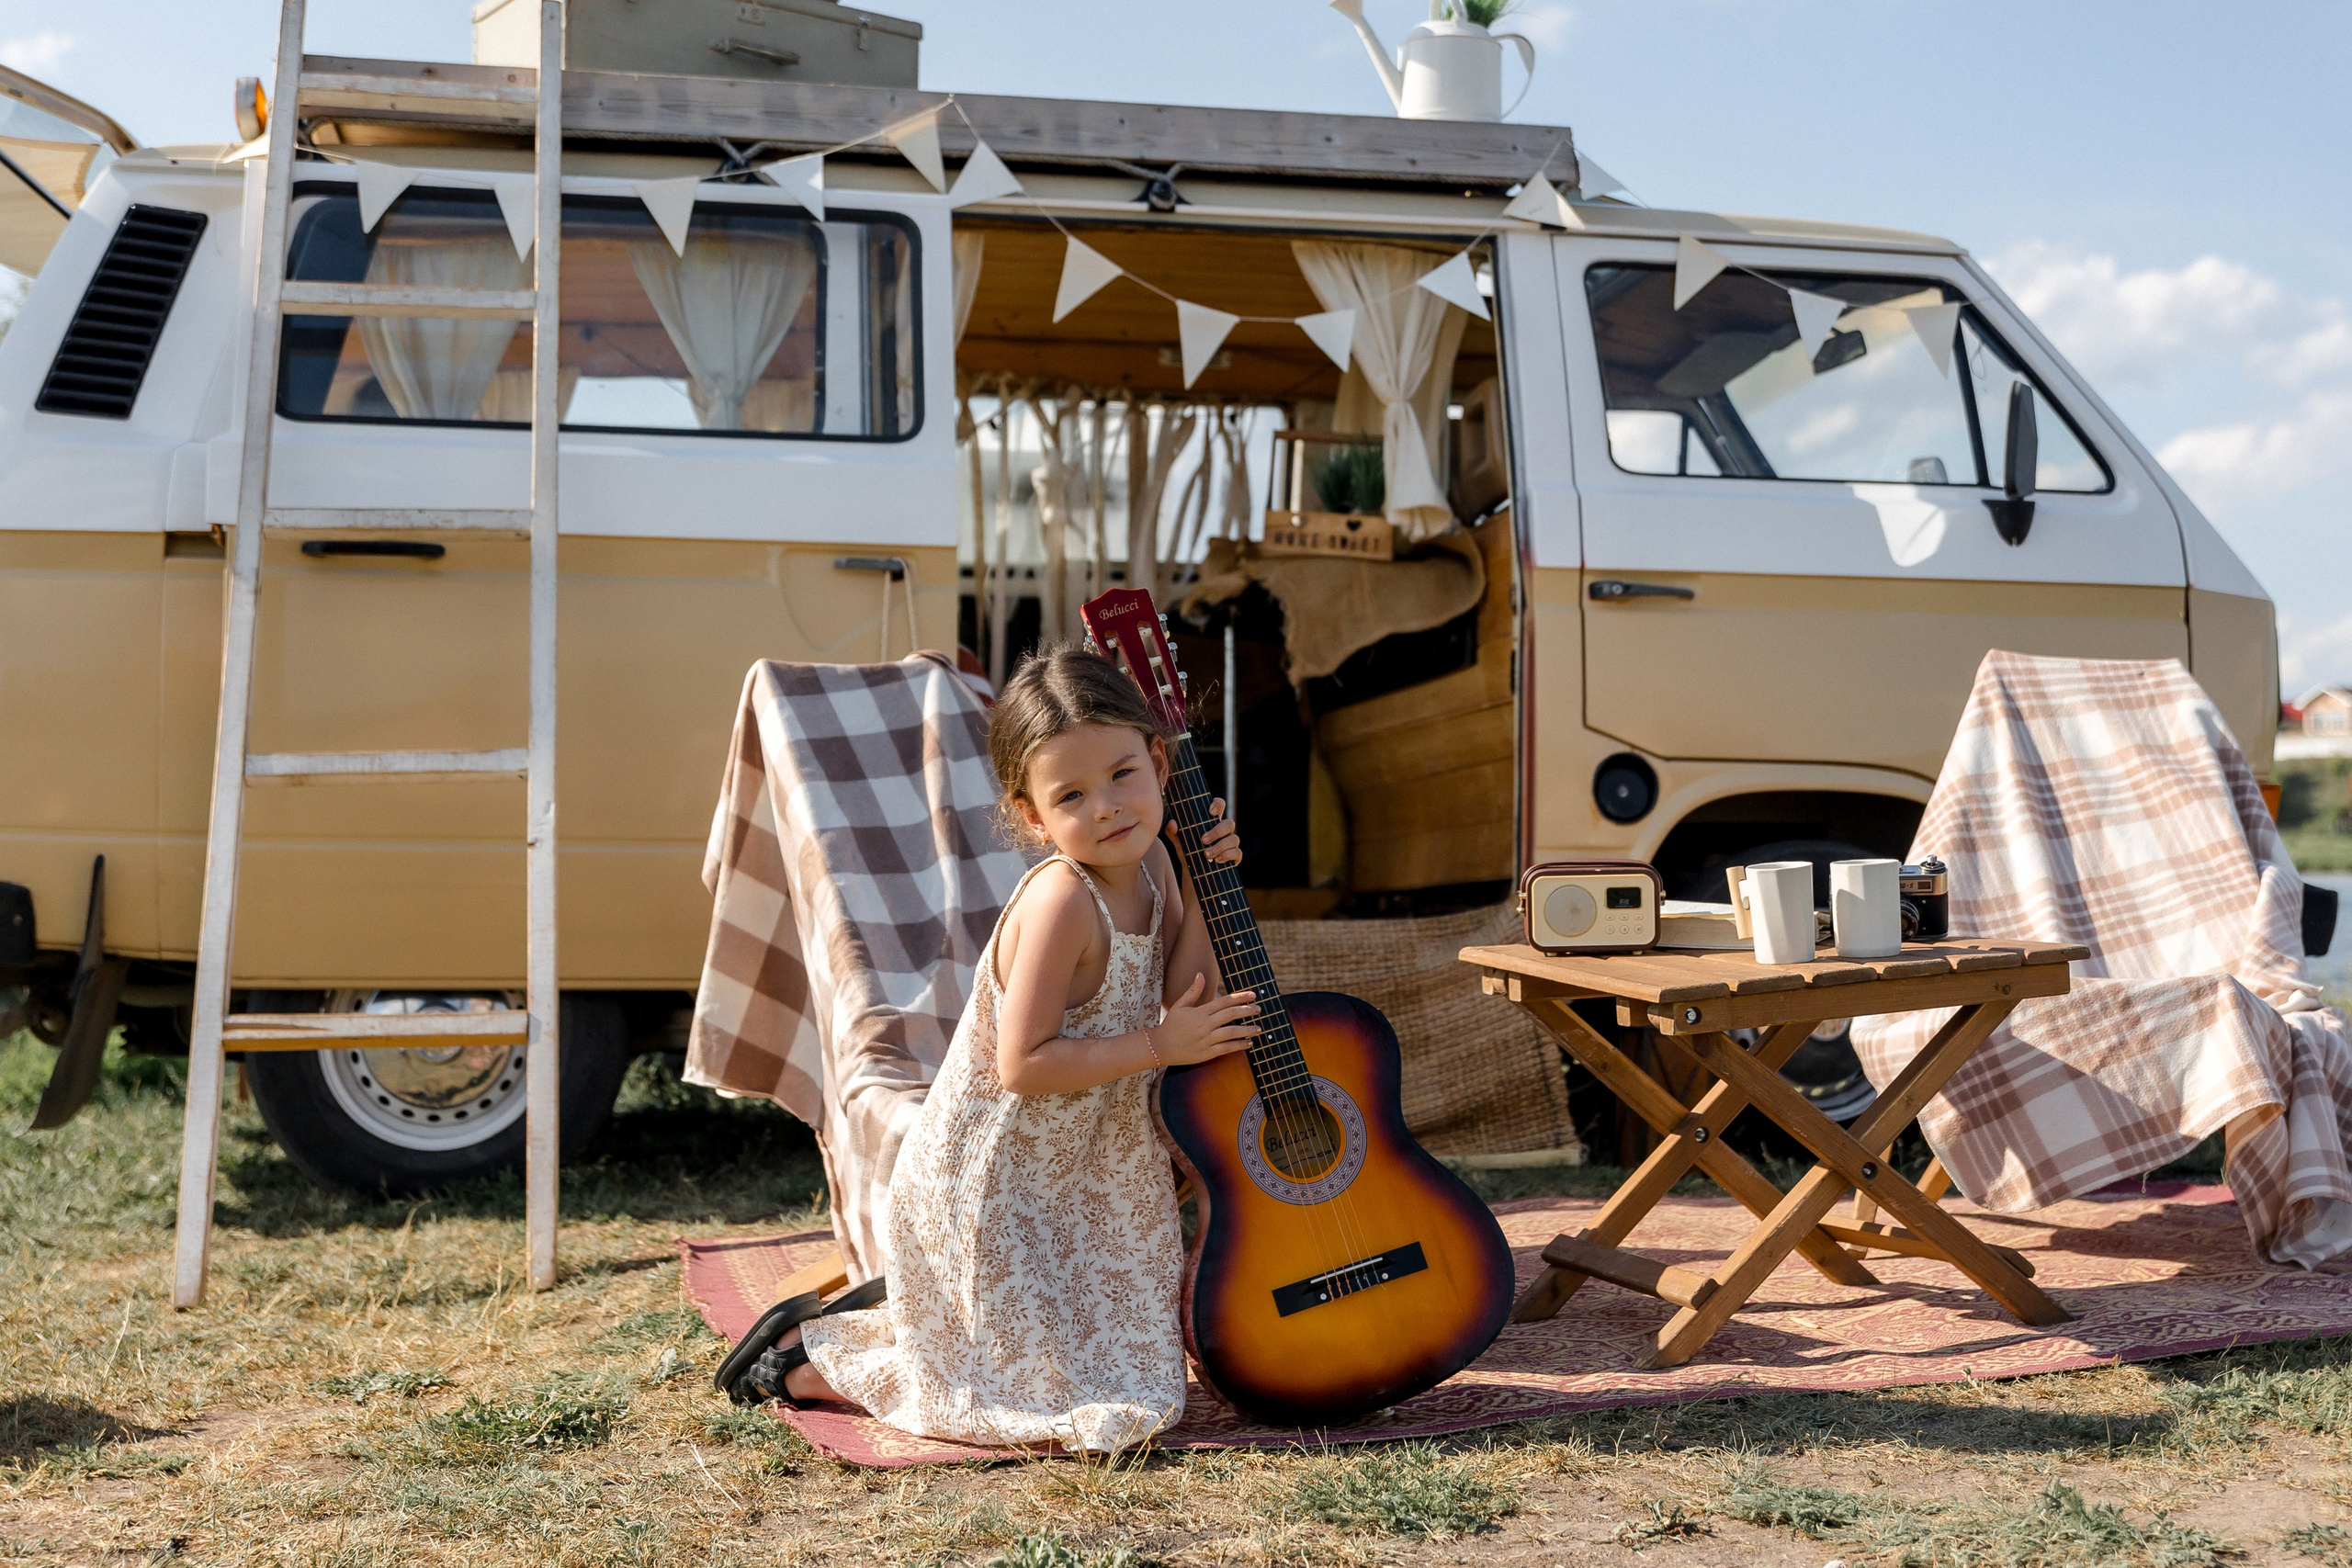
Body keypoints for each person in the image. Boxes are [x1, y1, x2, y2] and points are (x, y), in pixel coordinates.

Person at [715, 641, 1258, 1451]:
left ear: (1157, 762)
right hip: (995, 1183)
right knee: (1048, 1413)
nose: (1107, 807)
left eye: (1121, 775)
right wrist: (1158, 1044)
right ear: (1032, 815)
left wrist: (1213, 883)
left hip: (1091, 1178)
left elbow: (1188, 992)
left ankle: (905, 1328)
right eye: (1071, 794)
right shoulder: (1061, 902)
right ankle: (806, 1364)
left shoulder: (1157, 870)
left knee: (1139, 1386)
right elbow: (1022, 1062)